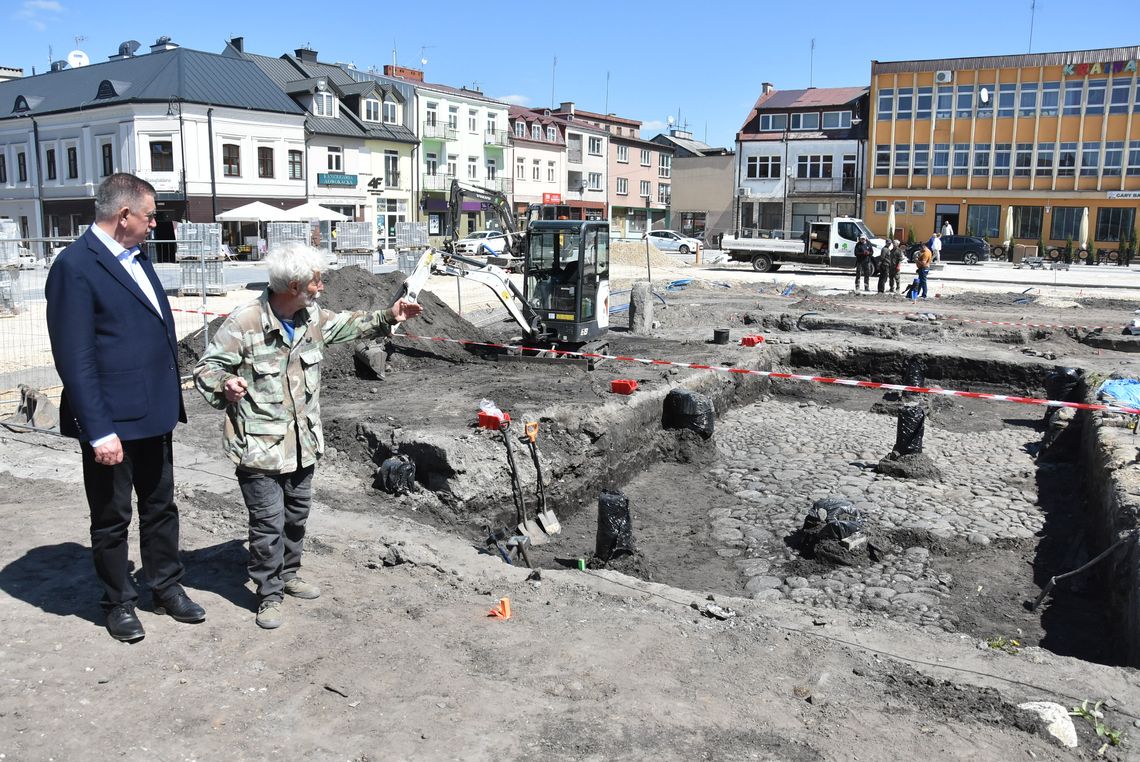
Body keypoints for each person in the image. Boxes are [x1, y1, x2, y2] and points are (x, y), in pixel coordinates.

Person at [193, 243, 423, 630]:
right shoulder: (244, 322)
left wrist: (389, 316)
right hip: (259, 448)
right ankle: (269, 594)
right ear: (294, 285)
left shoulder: (310, 316)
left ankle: (288, 573)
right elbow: (206, 368)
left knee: (296, 517)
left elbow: (348, 324)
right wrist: (225, 384)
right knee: (267, 524)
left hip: (302, 444)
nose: (321, 288)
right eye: (316, 281)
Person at [45, 173, 205, 642]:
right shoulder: (75, 267)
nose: (156, 224)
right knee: (112, 517)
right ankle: (118, 602)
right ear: (123, 216)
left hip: (153, 412)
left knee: (161, 507)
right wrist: (98, 431)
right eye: (150, 215)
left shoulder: (136, 257)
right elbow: (74, 358)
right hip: (111, 421)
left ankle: (167, 587)